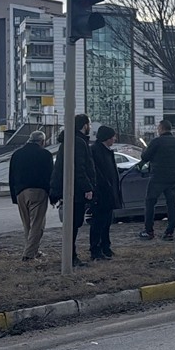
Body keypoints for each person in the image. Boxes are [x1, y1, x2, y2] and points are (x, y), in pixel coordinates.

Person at [50, 113, 96, 265]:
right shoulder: (78, 142)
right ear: (84, 125)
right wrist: (87, 187)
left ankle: (70, 255)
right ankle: (70, 257)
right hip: (74, 191)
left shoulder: (70, 141)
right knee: (73, 225)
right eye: (89, 124)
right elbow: (79, 168)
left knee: (73, 224)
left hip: (70, 189)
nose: (90, 127)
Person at [9, 130, 53, 261]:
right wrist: (53, 196)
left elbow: (11, 176)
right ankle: (28, 255)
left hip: (20, 193)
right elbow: (50, 176)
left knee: (27, 224)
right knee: (38, 225)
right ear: (42, 141)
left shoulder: (17, 154)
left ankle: (33, 250)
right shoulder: (45, 154)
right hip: (38, 192)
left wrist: (14, 196)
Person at [139, 119, 175, 241]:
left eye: (158, 127)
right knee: (172, 205)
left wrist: (144, 149)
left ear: (161, 128)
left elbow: (145, 157)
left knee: (150, 203)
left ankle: (149, 231)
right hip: (173, 177)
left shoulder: (157, 141)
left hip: (157, 177)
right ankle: (169, 232)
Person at [88, 126, 123, 261]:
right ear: (107, 137)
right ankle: (95, 250)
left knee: (107, 221)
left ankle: (105, 247)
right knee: (98, 222)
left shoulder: (106, 151)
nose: (114, 139)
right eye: (113, 136)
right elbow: (97, 173)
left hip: (109, 193)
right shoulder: (96, 151)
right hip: (101, 194)